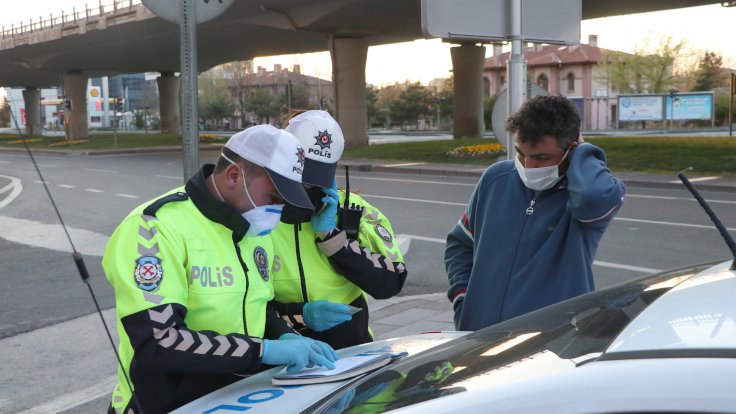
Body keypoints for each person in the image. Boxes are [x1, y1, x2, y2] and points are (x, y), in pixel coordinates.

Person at [102, 125, 339, 414]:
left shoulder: (253, 230)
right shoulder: (153, 228)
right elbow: (159, 341)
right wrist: (263, 351)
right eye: (273, 198)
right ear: (234, 175)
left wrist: (282, 335)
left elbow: (256, 307)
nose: (277, 211)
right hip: (168, 405)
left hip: (241, 399)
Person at [445, 95, 625, 331]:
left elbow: (593, 197)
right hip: (480, 334)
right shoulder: (496, 179)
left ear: (571, 149)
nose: (528, 165)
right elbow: (460, 244)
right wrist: (463, 299)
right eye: (520, 153)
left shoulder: (584, 193)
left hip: (550, 340)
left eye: (541, 157)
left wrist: (584, 152)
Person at [270, 110, 407, 349]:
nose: (306, 187)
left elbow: (391, 282)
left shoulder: (356, 210)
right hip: (281, 350)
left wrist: (333, 239)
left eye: (315, 179)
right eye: (301, 175)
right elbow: (243, 303)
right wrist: (300, 314)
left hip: (350, 351)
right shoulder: (259, 212)